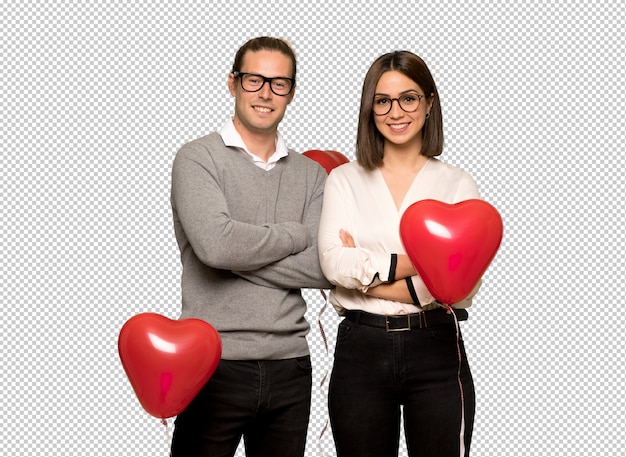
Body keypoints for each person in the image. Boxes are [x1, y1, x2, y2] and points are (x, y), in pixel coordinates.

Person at [169, 36, 332, 457]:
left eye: (279, 83)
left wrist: (232, 247)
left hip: (290, 366)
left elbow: (320, 268)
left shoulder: (313, 175)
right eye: (254, 79)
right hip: (212, 364)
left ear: (292, 92)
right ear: (233, 83)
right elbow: (215, 247)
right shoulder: (197, 158)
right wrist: (295, 234)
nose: (265, 92)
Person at [317, 51, 482, 457]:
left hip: (437, 349)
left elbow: (461, 290)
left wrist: (365, 275)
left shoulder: (457, 185)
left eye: (408, 98)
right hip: (361, 348)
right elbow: (334, 264)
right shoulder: (344, 181)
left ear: (429, 103)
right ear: (369, 108)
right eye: (383, 100)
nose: (396, 111)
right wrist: (428, 265)